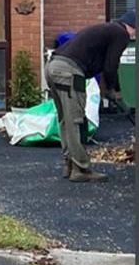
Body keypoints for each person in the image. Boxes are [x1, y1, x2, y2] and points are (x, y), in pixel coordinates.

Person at [44, 10, 136, 182]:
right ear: (133, 27)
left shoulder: (107, 30)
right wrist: (114, 90)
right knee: (75, 121)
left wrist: (110, 89)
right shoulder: (121, 34)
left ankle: (70, 164)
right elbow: (111, 65)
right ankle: (81, 169)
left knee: (65, 120)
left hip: (52, 68)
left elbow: (104, 63)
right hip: (69, 72)